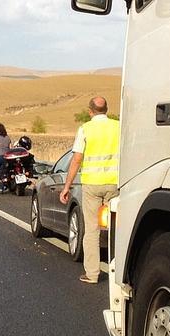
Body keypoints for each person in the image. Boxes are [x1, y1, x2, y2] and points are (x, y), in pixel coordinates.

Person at [60, 96, 119, 284]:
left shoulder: (85, 129)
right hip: (115, 184)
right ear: (107, 109)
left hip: (92, 185)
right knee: (117, 229)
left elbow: (77, 159)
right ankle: (120, 274)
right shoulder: (118, 127)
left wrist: (67, 186)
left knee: (92, 230)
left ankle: (92, 274)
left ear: (90, 111)